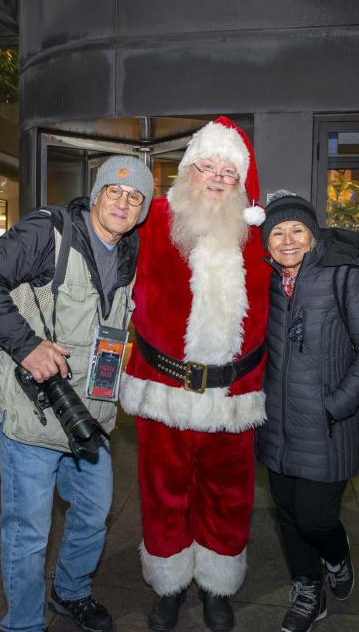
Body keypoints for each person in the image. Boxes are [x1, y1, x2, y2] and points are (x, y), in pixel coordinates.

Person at [0, 155, 155, 632]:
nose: (123, 202)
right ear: (96, 194)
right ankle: (25, 622)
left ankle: (71, 592)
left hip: (89, 414)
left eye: (135, 197)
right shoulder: (48, 231)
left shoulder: (132, 253)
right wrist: (26, 346)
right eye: (115, 190)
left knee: (93, 514)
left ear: (143, 211)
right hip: (34, 411)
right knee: (28, 532)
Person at [120, 116, 272, 632]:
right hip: (162, 390)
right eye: (205, 165)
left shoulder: (259, 234)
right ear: (186, 170)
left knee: (229, 495)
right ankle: (168, 587)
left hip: (235, 395)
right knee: (163, 491)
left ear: (241, 183)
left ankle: (215, 587)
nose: (215, 177)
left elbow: (305, 258)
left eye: (227, 172)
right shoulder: (154, 221)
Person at [255, 192, 359, 632]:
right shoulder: (266, 282)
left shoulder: (343, 277)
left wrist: (338, 405)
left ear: (313, 236)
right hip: (277, 425)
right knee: (289, 517)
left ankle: (337, 554)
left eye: (297, 230)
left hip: (329, 425)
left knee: (315, 518)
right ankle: (309, 592)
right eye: (277, 232)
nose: (287, 240)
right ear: (266, 242)